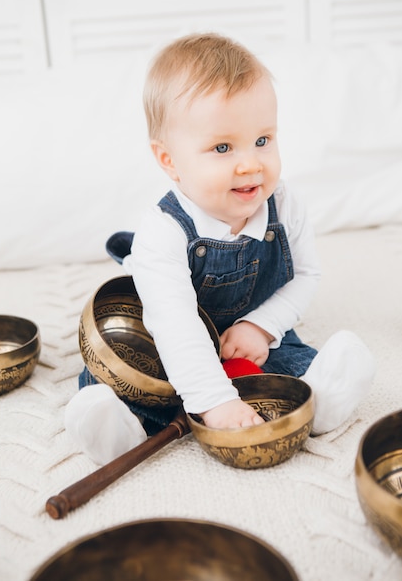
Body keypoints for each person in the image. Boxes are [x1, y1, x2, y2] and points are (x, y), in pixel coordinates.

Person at [65, 33, 375, 465]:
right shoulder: (165, 232)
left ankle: (316, 401)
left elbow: (305, 275)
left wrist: (262, 326)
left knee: (288, 359)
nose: (250, 163)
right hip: (168, 335)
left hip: (246, 333)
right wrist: (215, 400)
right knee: (131, 377)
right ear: (170, 160)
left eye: (263, 140)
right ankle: (120, 433)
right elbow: (174, 323)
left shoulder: (285, 206)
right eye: (223, 147)